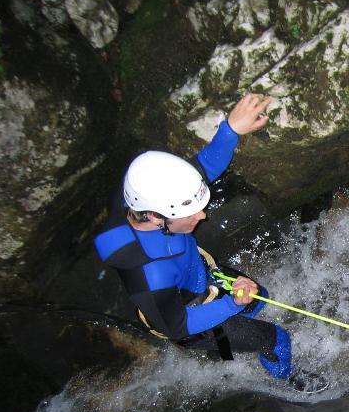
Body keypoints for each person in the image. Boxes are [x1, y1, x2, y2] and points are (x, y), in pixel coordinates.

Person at [94, 92, 293, 379]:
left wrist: (231, 129)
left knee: (260, 297)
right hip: (186, 315)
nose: (202, 217)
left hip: (199, 276)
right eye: (190, 213)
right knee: (277, 338)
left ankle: (226, 344)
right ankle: (288, 380)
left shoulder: (139, 195)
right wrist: (230, 305)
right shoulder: (150, 273)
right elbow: (177, 325)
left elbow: (203, 167)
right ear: (153, 216)